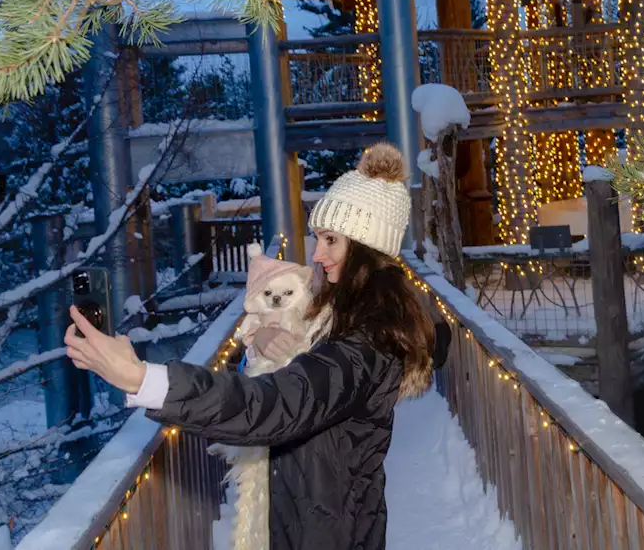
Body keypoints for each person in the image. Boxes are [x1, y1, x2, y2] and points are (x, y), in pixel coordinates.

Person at [66, 143, 450, 550]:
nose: (317, 255)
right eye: (318, 238)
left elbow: (272, 403)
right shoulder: (349, 317)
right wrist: (260, 337)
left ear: (365, 248)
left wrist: (145, 379)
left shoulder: (366, 345)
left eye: (330, 240)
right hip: (318, 522)